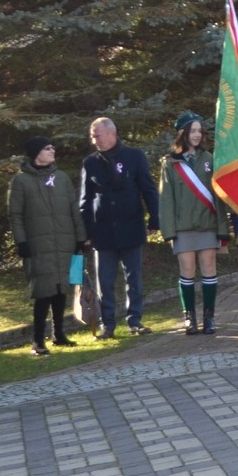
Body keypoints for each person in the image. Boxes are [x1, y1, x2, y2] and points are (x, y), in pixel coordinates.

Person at [79, 116, 160, 337]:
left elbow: (148, 188)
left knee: (133, 278)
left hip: (131, 226)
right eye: (92, 136)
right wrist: (85, 232)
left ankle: (135, 320)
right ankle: (107, 324)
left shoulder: (134, 156)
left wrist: (154, 219)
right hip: (103, 231)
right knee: (105, 281)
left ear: (111, 134)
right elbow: (85, 200)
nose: (94, 140)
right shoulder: (90, 162)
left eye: (97, 136)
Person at [9, 136, 84, 356]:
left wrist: (81, 237)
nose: (53, 151)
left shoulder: (61, 178)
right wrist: (21, 242)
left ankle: (59, 334)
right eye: (47, 148)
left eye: (52, 147)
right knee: (43, 291)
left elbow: (73, 209)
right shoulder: (20, 181)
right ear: (36, 153)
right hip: (38, 244)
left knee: (61, 289)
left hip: (64, 242)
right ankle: (38, 340)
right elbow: (15, 215)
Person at [158, 112, 227, 334]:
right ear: (183, 133)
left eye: (199, 131)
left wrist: (222, 229)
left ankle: (209, 316)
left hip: (207, 224)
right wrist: (169, 231)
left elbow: (218, 196)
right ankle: (190, 317)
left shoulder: (209, 159)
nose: (197, 135)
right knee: (187, 270)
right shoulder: (170, 163)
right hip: (183, 228)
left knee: (209, 268)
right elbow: (166, 199)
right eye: (193, 131)